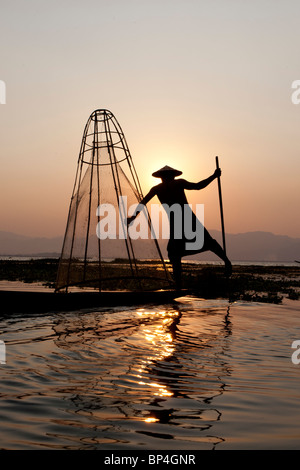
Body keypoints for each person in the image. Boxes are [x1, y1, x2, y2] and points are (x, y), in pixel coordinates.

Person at [127, 165, 232, 290]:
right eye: (165, 177)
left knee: (207, 242)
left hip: (188, 219)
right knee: (174, 253)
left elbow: (198, 186)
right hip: (176, 223)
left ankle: (227, 263)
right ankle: (178, 285)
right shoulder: (157, 189)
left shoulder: (177, 184)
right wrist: (132, 217)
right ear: (162, 177)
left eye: (168, 176)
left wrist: (213, 176)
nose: (166, 178)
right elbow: (143, 203)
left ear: (171, 176)